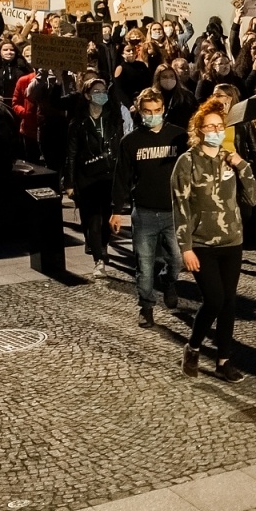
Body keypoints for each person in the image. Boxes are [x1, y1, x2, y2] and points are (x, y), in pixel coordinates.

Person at [172, 100, 256, 384]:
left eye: (218, 127)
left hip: (231, 240)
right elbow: (180, 205)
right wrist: (185, 247)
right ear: (199, 130)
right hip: (201, 242)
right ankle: (194, 347)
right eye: (209, 126)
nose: (214, 131)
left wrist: (242, 165)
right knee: (214, 299)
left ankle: (224, 360)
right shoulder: (187, 162)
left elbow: (254, 197)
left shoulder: (230, 158)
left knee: (229, 302)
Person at [111, 87, 187, 327]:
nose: (152, 115)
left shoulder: (179, 136)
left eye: (157, 110)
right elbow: (122, 177)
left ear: (163, 109)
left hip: (173, 211)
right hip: (143, 212)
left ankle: (169, 280)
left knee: (177, 259)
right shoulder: (130, 142)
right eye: (147, 111)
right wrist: (116, 210)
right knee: (144, 265)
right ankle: (146, 306)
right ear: (140, 111)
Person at [66, 76, 122, 278]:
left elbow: (120, 147)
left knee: (108, 217)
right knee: (93, 219)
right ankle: (98, 259)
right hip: (87, 176)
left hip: (109, 175)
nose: (101, 95)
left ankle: (104, 246)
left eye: (104, 91)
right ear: (88, 95)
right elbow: (71, 154)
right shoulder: (78, 122)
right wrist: (70, 182)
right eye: (96, 92)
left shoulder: (113, 119)